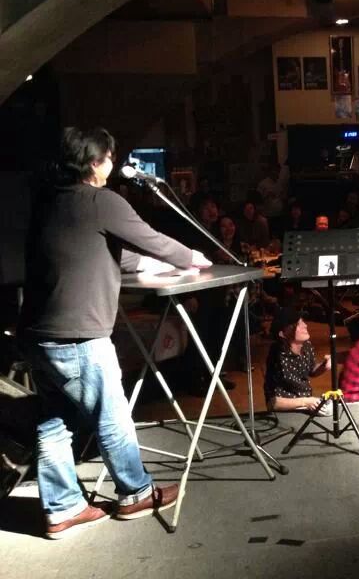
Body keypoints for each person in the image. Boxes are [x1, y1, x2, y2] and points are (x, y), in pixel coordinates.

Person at [19, 127, 212, 538]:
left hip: (37, 334)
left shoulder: (52, 200)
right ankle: (135, 493)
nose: (113, 163)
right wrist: (192, 258)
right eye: (109, 157)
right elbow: (152, 240)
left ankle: (62, 508)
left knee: (54, 421)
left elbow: (99, 250)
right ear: (95, 162)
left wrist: (151, 264)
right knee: (112, 415)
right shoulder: (101, 201)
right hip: (78, 335)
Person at [263, 307, 331, 413]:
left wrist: (324, 366)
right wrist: (306, 402)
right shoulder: (279, 355)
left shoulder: (306, 345)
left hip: (305, 402)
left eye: (303, 321)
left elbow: (311, 370)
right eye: (299, 324)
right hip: (286, 407)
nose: (305, 325)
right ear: (283, 333)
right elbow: (274, 402)